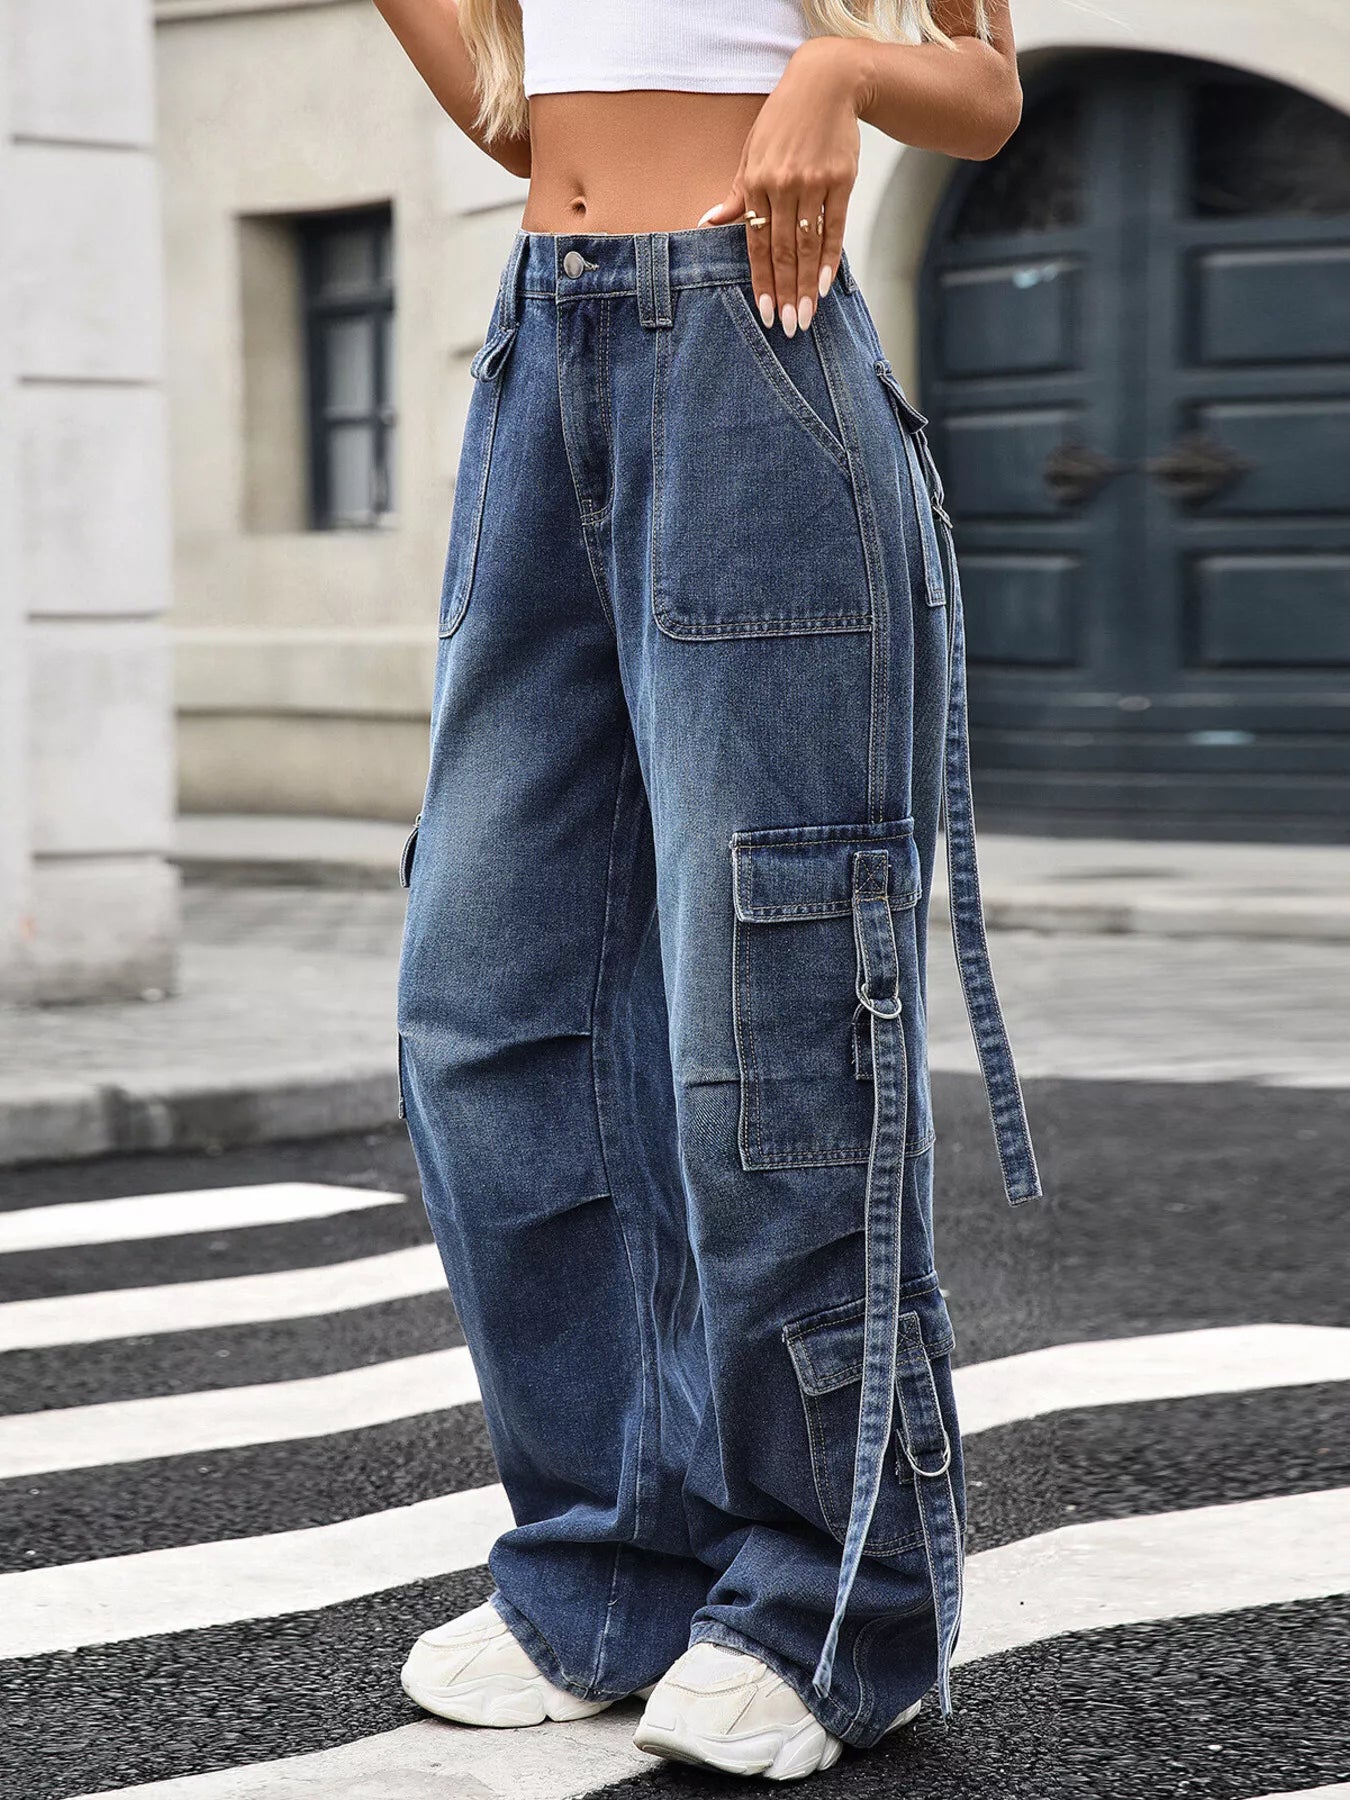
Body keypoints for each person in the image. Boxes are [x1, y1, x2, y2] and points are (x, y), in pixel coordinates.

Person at [377, 0, 1041, 1780]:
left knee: (778, 1006)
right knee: (487, 1002)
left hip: (752, 355)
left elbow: (980, 90)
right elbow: (526, 129)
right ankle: (608, 1569)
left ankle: (845, 1602)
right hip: (540, 358)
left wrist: (835, 73)